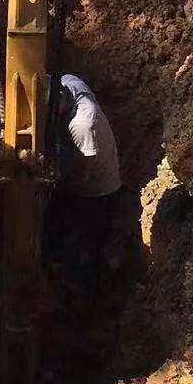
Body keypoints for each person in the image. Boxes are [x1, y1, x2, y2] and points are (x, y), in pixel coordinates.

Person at [45, 74, 122, 284]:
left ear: (60, 101)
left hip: (98, 193)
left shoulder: (83, 124)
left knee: (82, 245)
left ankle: (88, 290)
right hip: (78, 179)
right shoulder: (68, 81)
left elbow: (83, 176)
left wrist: (52, 178)